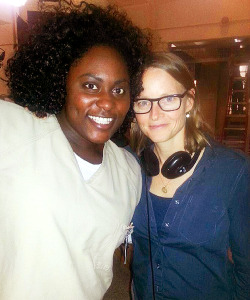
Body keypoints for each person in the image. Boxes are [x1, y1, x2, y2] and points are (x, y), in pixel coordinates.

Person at [0, 1, 150, 299]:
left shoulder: (129, 172)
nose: (107, 102)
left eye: (119, 90)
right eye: (91, 86)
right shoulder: (12, 128)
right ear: (62, 82)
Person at [130, 52, 250, 300]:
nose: (155, 114)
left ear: (189, 101)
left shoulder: (231, 170)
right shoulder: (129, 167)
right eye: (143, 102)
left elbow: (247, 266)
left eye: (169, 99)